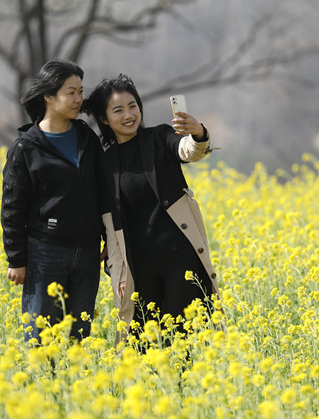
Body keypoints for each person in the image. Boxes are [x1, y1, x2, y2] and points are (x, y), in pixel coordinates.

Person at [84, 74, 220, 345]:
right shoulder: (103, 162)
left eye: (133, 106)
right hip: (138, 267)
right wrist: (118, 269)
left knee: (182, 342)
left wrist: (198, 133)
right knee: (142, 345)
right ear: (103, 119)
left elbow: (187, 150)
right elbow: (108, 222)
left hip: (180, 260)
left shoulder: (159, 137)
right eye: (118, 110)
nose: (128, 114)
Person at [1, 60, 106, 346]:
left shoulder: (86, 137)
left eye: (80, 91)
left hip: (87, 253)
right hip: (45, 252)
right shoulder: (27, 148)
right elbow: (12, 208)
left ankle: (74, 389)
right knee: (40, 335)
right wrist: (16, 259)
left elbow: (104, 191)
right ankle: (40, 390)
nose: (78, 99)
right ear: (49, 96)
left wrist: (110, 239)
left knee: (80, 337)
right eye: (70, 92)